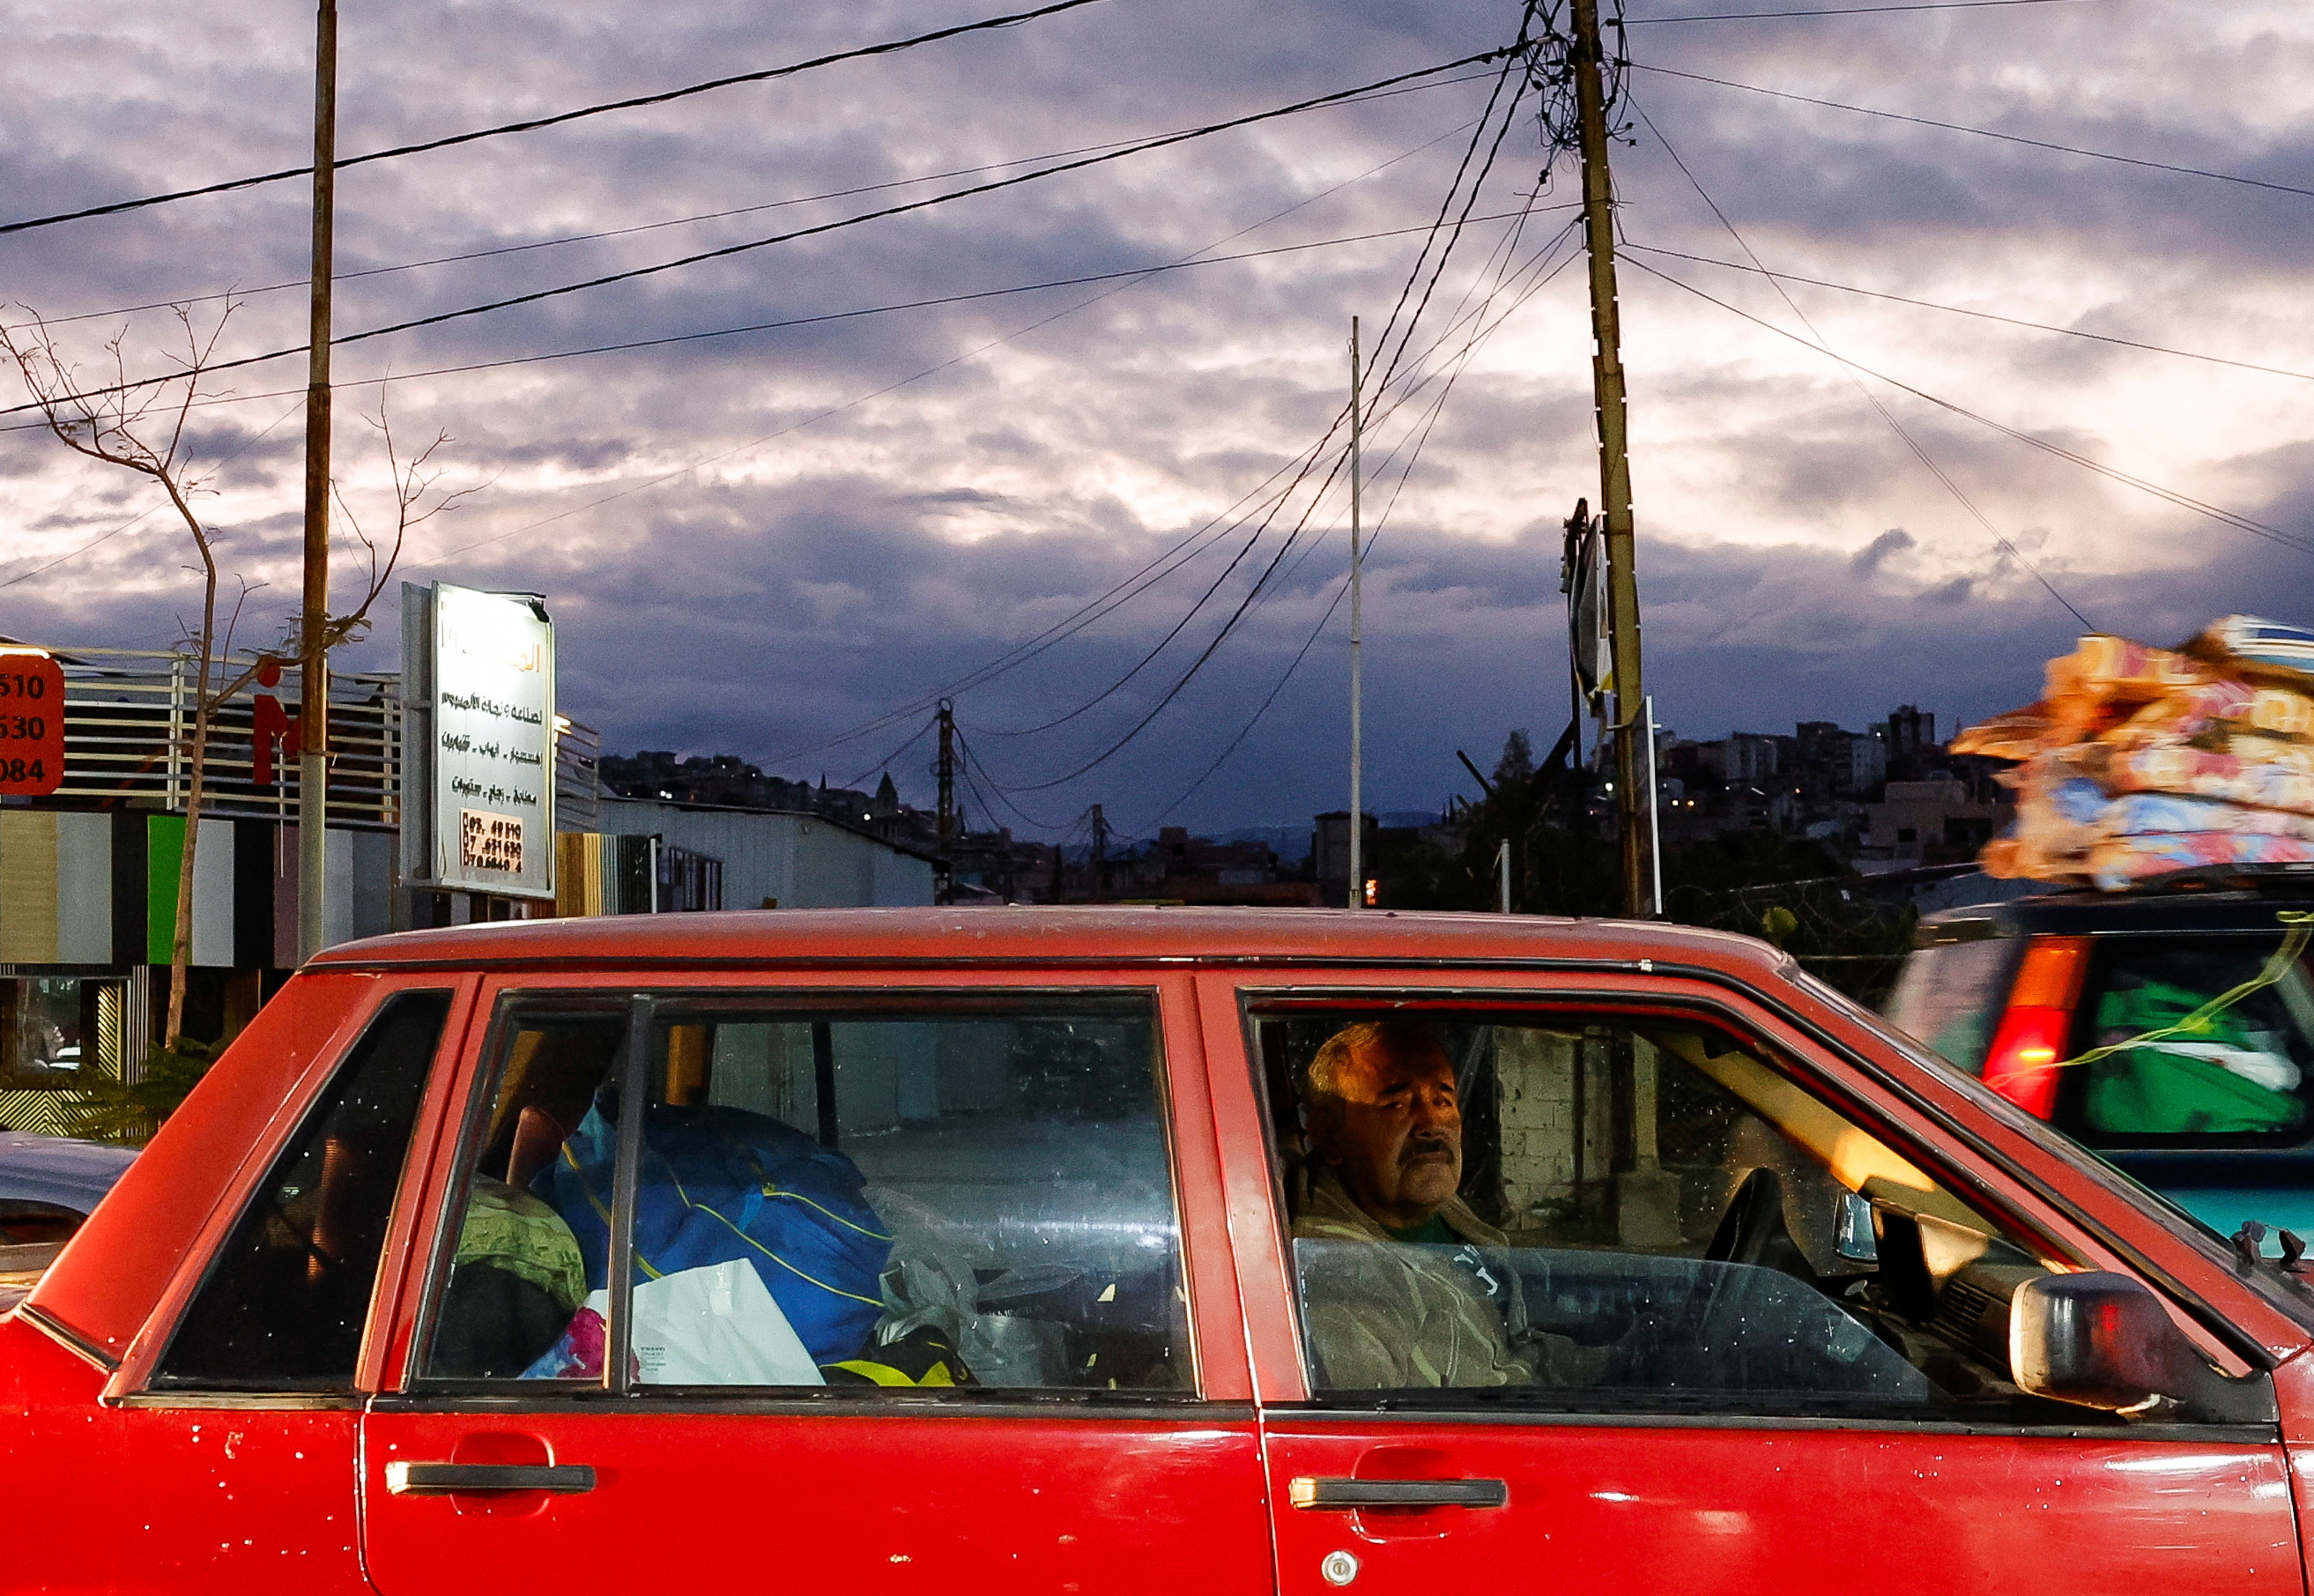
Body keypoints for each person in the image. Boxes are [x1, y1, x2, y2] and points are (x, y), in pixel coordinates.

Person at [1292, 1019, 1532, 1389]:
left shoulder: (1439, 1210)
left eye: (1443, 1100)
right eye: (1396, 1104)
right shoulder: (1338, 1276)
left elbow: (1520, 1347)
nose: (1432, 1123)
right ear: (1328, 1136)